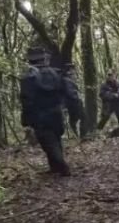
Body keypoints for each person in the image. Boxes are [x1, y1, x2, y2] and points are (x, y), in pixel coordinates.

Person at [20, 47, 81, 176]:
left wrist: (26, 120)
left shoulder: (29, 78)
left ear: (30, 61)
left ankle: (62, 167)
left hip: (40, 115)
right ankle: (55, 168)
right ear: (44, 59)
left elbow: (27, 101)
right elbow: (70, 93)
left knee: (48, 142)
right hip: (57, 113)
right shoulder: (57, 73)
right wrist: (73, 111)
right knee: (56, 139)